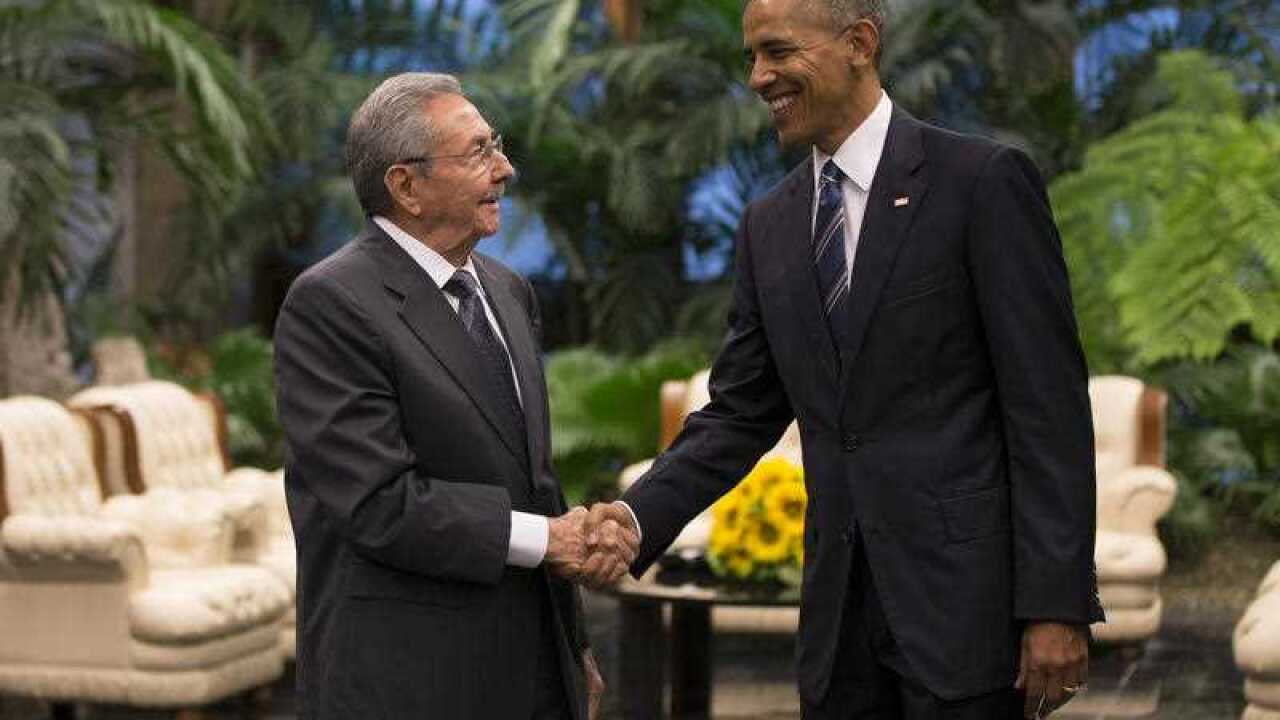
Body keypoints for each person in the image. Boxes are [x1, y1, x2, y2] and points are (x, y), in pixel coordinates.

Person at [588, 0, 1103, 717]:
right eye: (750, 59)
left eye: (777, 52)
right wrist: (635, 518)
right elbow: (740, 411)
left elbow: (1047, 409)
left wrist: (1056, 604)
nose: (760, 77)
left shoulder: (981, 183)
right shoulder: (768, 225)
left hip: (967, 620)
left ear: (859, 42)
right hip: (838, 633)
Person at [274, 72, 636, 720]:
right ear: (405, 186)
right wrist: (549, 540)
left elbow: (535, 480)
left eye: (495, 145)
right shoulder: (329, 304)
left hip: (528, 670)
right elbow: (380, 504)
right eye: (478, 153)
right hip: (404, 679)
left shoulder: (506, 290)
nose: (505, 168)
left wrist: (571, 643)